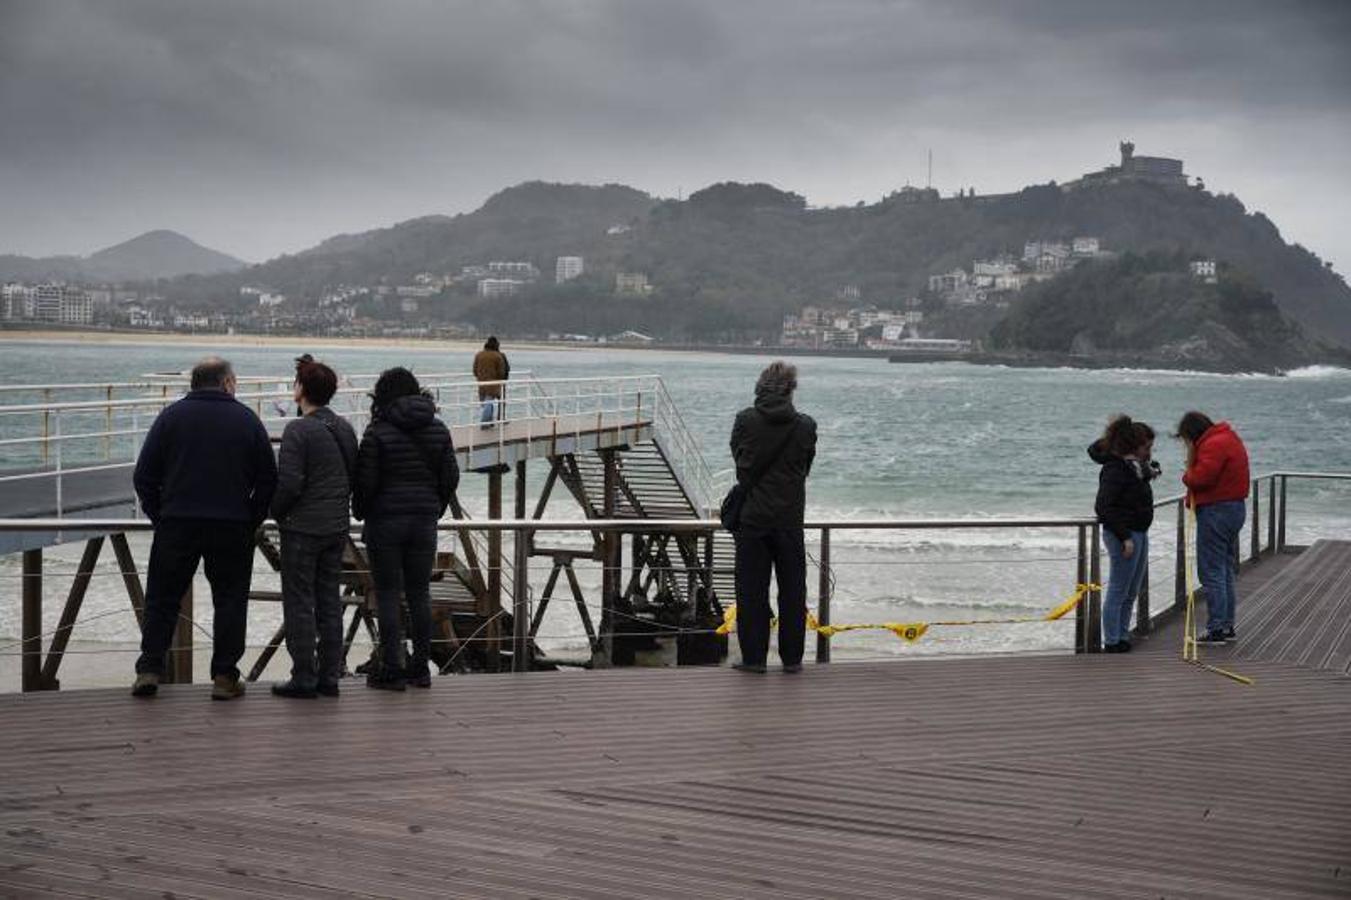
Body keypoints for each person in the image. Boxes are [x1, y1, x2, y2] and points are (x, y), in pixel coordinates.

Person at [131, 357, 277, 700]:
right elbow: (268, 478)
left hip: (178, 522)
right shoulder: (246, 419)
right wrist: (250, 517)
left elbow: (144, 477)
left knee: (163, 599)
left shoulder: (170, 417)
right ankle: (225, 677)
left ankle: (150, 668)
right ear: (226, 383)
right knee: (229, 600)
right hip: (231, 525)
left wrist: (161, 515)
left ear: (195, 383)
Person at [352, 367, 459, 690]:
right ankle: (421, 669)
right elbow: (451, 476)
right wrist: (434, 506)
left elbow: (366, 481)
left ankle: (392, 669)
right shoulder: (438, 430)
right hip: (423, 521)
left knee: (387, 594)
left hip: (385, 522)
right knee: (419, 594)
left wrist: (362, 511)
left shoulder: (377, 432)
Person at [269, 358, 358, 699]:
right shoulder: (344, 428)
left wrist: (276, 512)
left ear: (302, 391)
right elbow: (352, 474)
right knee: (328, 601)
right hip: (336, 527)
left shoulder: (298, 430)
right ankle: (329, 676)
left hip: (303, 529)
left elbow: (290, 483)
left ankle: (304, 676)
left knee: (299, 603)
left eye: (296, 384)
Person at [728, 361, 818, 674]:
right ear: (791, 389)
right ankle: (792, 660)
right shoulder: (806, 425)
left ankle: (754, 659)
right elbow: (805, 467)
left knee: (752, 591)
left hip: (753, 520)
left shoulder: (745, 420)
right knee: (793, 592)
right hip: (790, 520)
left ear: (760, 387)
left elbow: (741, 465)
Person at [1177, 411, 1250, 643]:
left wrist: (1187, 473)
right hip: (1233, 509)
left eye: (1186, 440)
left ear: (1192, 434)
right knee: (1224, 569)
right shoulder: (1227, 437)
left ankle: (1217, 626)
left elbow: (1200, 478)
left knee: (1211, 571)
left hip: (1217, 511)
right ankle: (1226, 625)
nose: (1187, 445)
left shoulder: (1212, 444)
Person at [1089, 416, 1160, 653]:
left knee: (1131, 589)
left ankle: (1122, 634)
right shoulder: (1115, 469)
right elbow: (1104, 507)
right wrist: (1124, 537)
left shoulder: (1136, 468)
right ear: (1133, 446)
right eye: (1146, 447)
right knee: (1119, 589)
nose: (1149, 452)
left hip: (1139, 531)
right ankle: (1111, 640)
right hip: (1124, 535)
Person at [472, 336, 509, 424]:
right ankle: (485, 423)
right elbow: (501, 372)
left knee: (485, 403)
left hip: (481, 384)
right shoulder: (498, 356)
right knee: (489, 403)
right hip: (493, 384)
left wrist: (479, 377)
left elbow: (474, 370)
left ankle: (489, 421)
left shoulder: (479, 355)